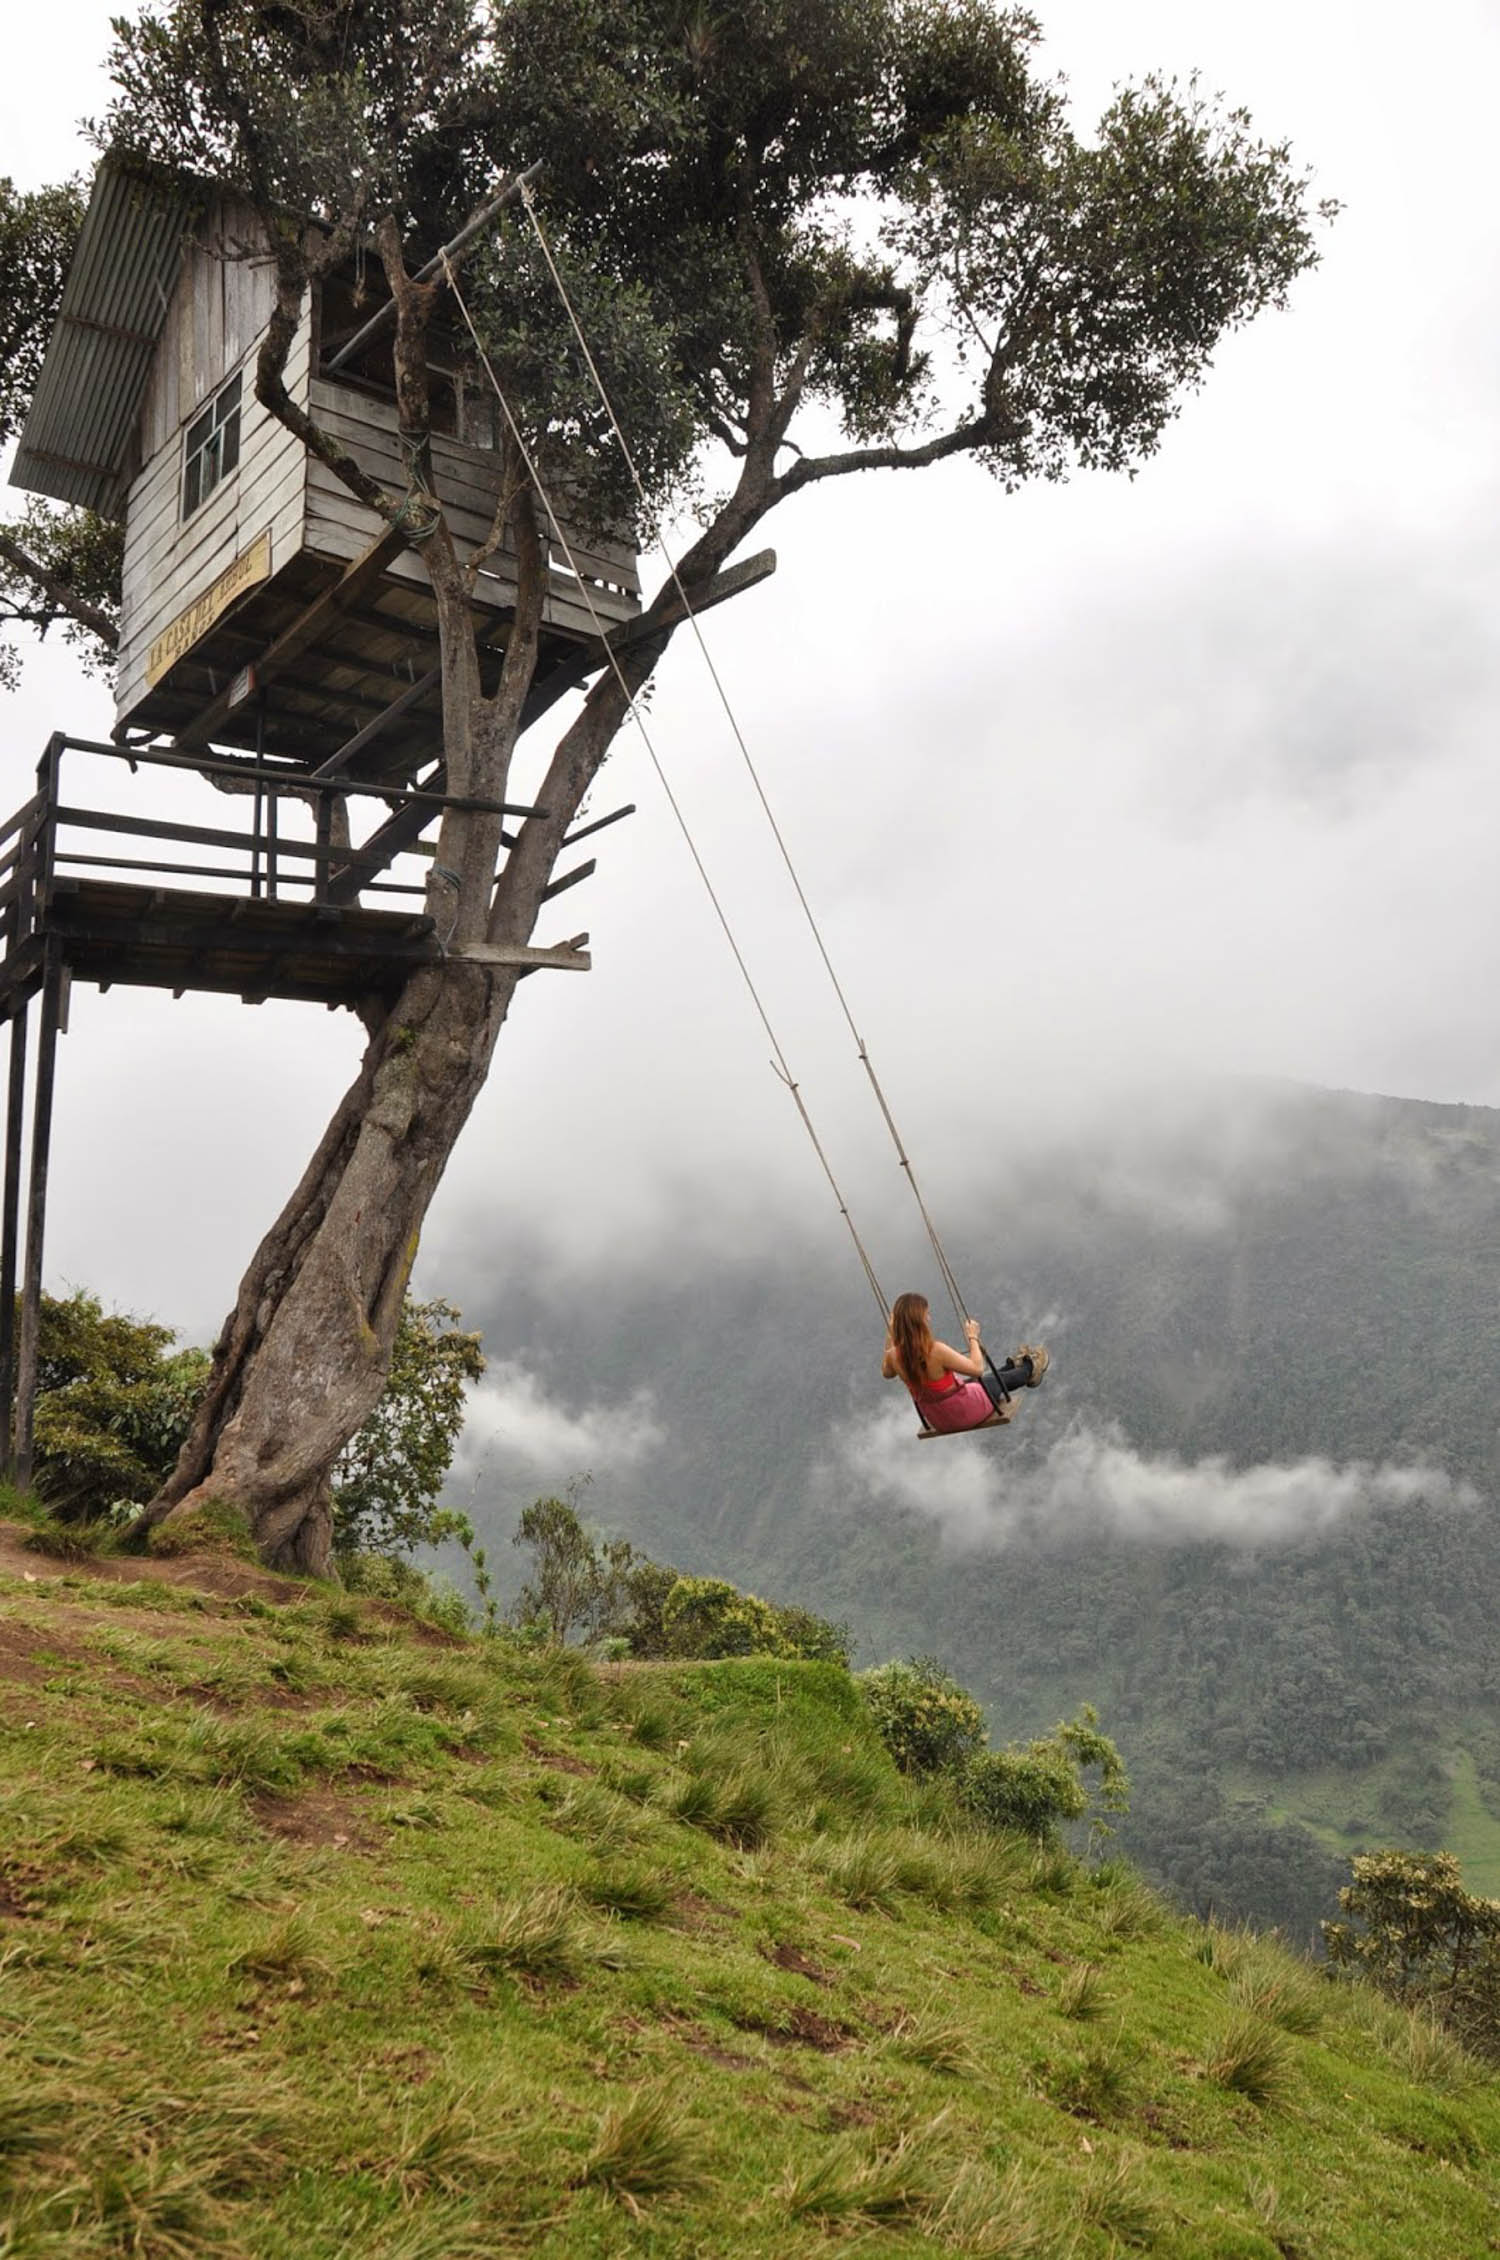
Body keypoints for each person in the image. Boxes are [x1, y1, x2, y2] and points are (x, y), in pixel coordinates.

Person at [882, 1290, 1019, 1434]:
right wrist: (973, 1337)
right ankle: (1030, 1367)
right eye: (926, 1314)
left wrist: (890, 1334)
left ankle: (1011, 1366)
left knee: (986, 1379)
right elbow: (978, 1368)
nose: (929, 1318)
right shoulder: (935, 1350)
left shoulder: (893, 1355)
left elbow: (887, 1373)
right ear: (920, 1321)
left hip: (939, 1420)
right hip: (965, 1412)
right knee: (996, 1380)